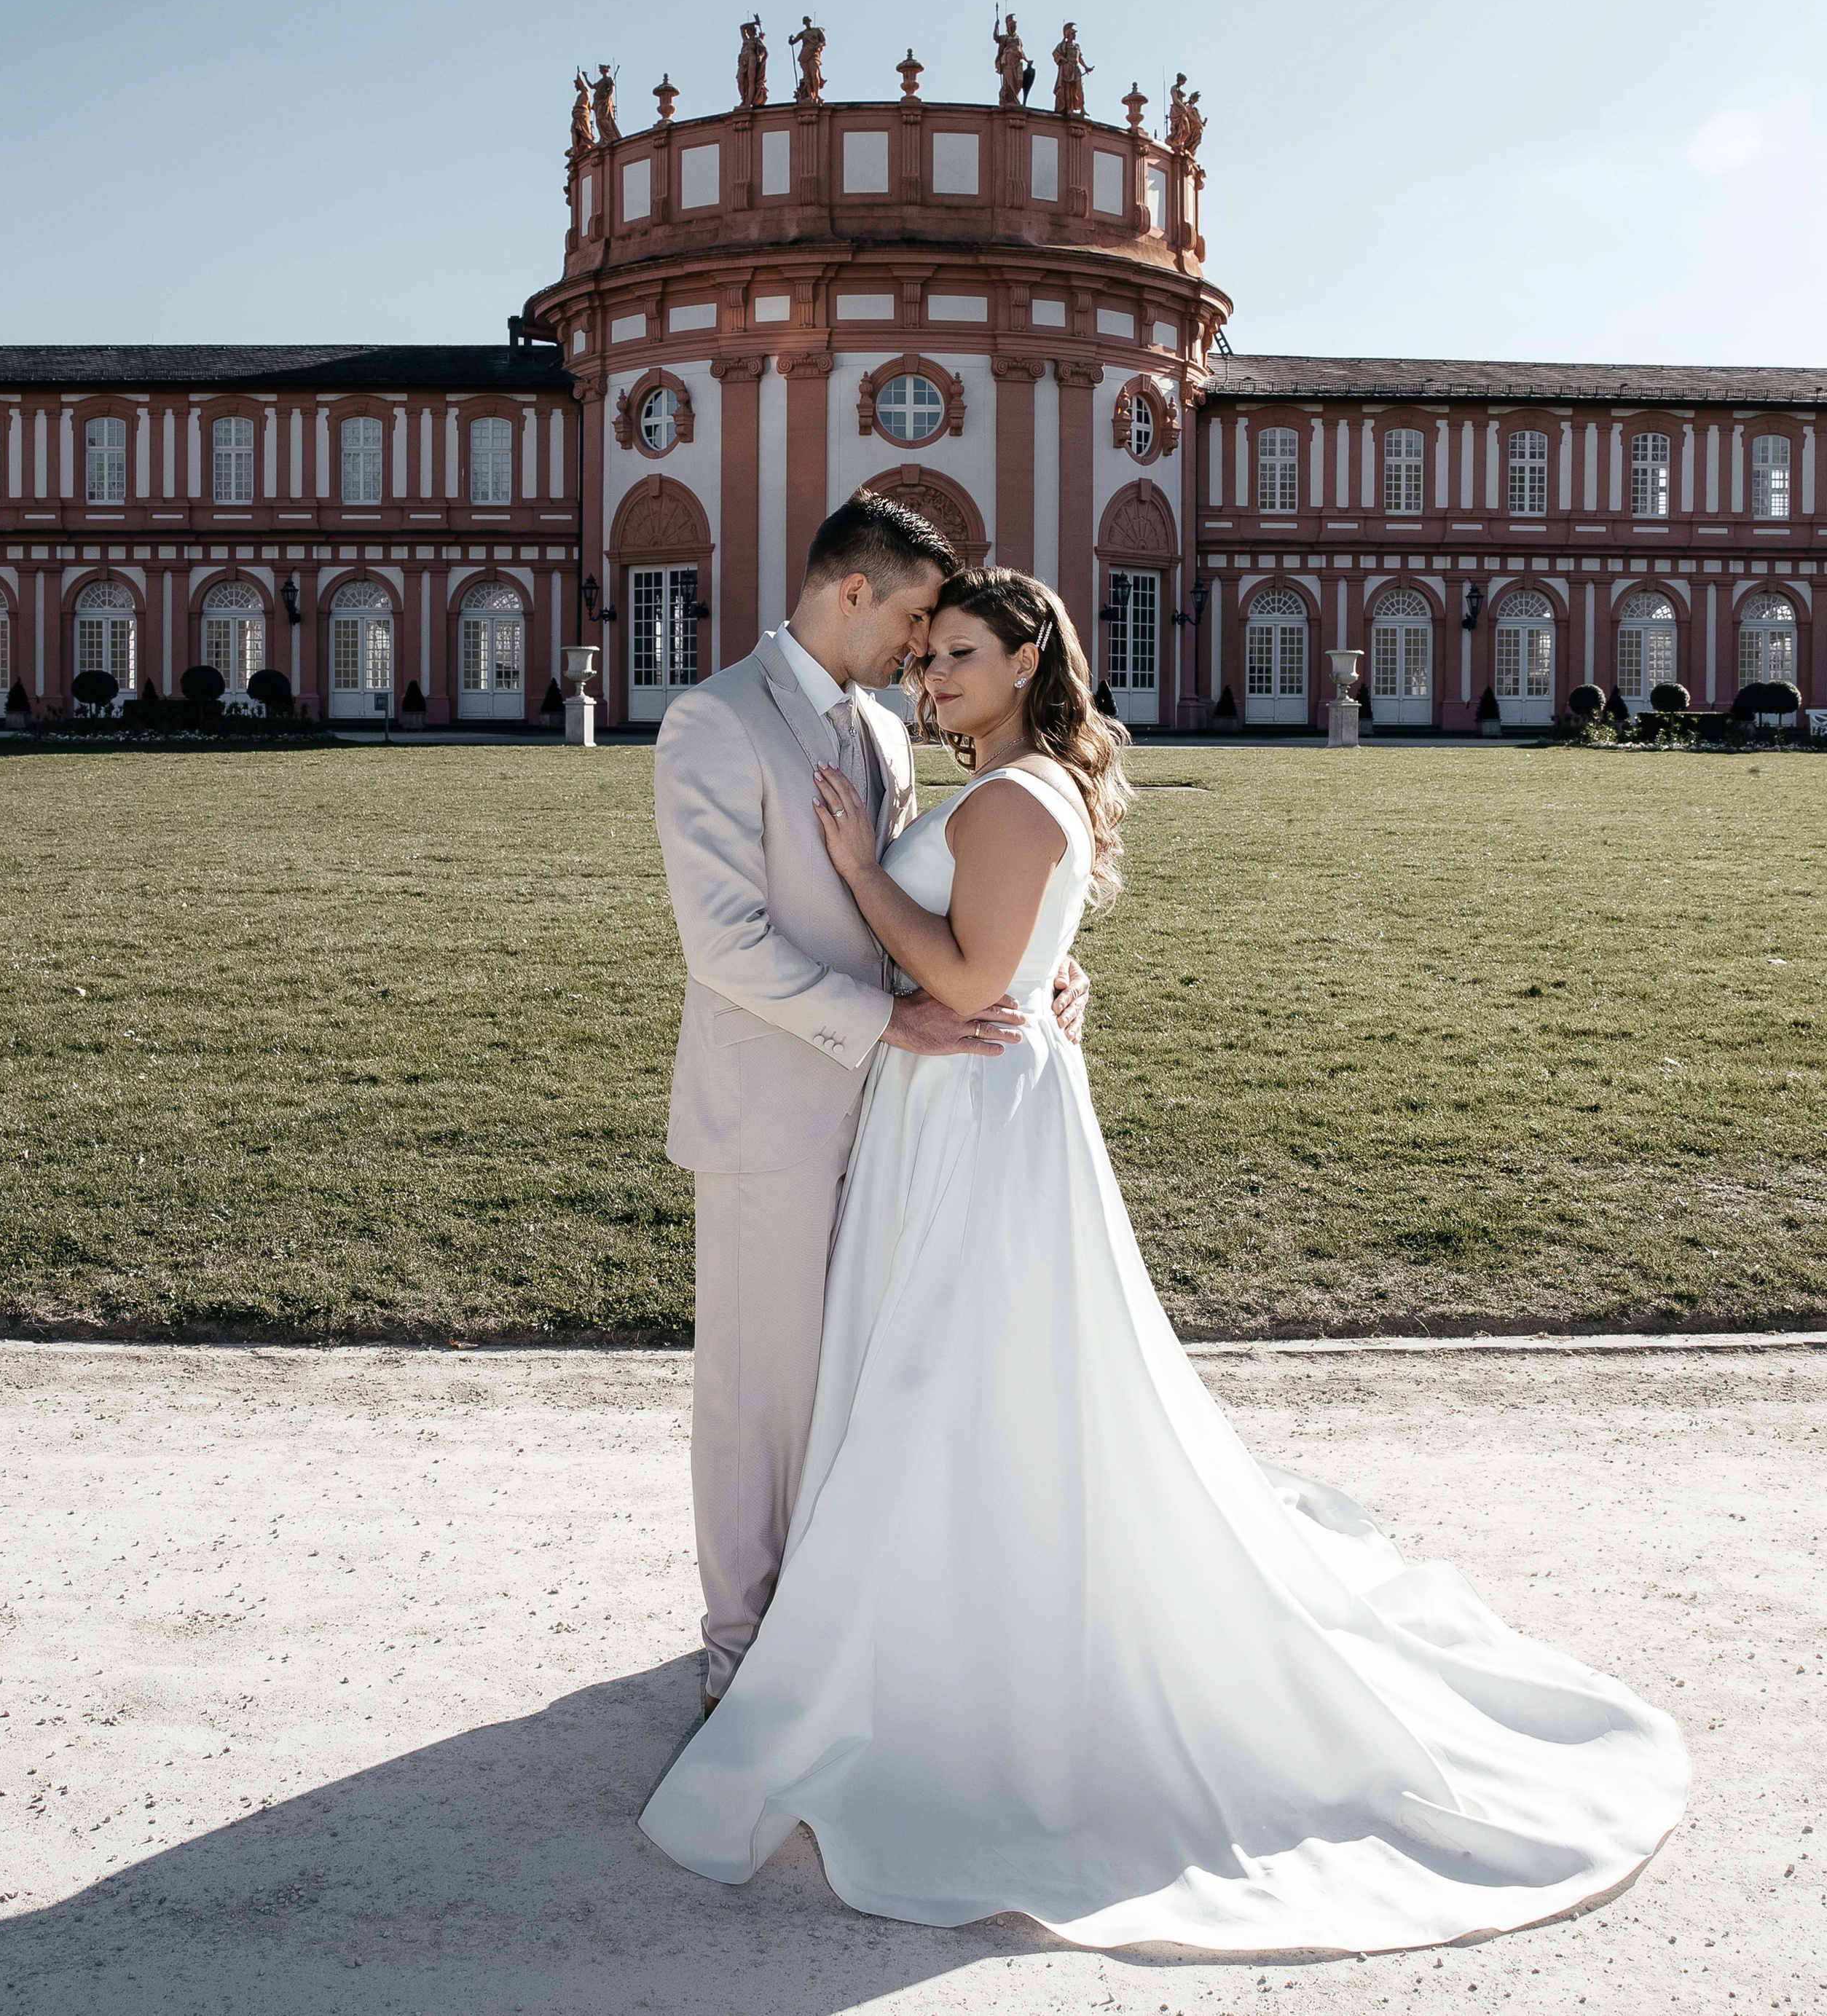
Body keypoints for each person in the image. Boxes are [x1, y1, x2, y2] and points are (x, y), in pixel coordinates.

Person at [643, 566, 1687, 1953]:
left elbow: (960, 979)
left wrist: (858, 872)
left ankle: (951, 1635)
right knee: (949, 1370)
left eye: (958, 655)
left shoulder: (1015, 797)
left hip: (974, 1110)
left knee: (958, 1369)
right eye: (926, 655)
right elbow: (1001, 959)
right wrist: (1023, 964)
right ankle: (920, 1608)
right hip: (961, 1101)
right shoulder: (1011, 785)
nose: (930, 676)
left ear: (1026, 662)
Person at [651, 498, 1088, 1717]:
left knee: (852, 1382)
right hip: (776, 1109)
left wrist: (1033, 960)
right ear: (853, 592)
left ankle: (827, 1622)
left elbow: (923, 908)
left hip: (900, 1118)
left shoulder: (884, 735)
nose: (917, 648)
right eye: (910, 619)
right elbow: (723, 944)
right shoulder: (716, 720)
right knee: (762, 1396)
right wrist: (894, 1019)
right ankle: (739, 1653)